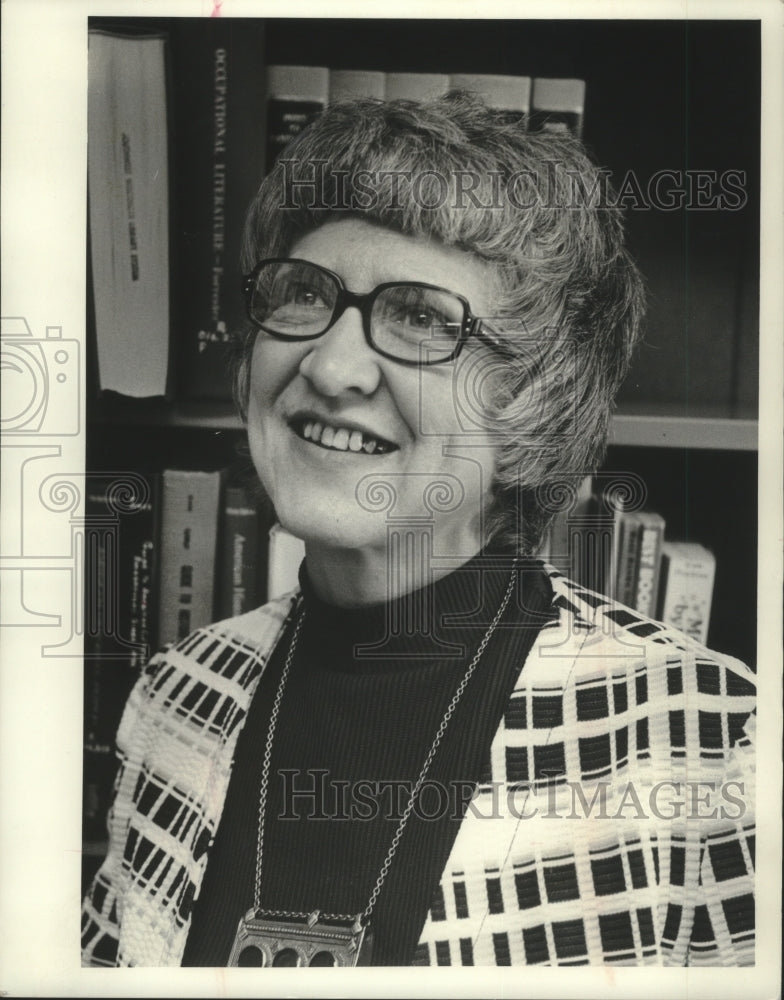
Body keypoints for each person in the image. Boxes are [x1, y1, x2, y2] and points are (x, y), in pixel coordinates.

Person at [81, 93, 755, 967]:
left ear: (532, 405)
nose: (330, 365)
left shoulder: (710, 745)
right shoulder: (174, 699)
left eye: (423, 318)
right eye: (303, 295)